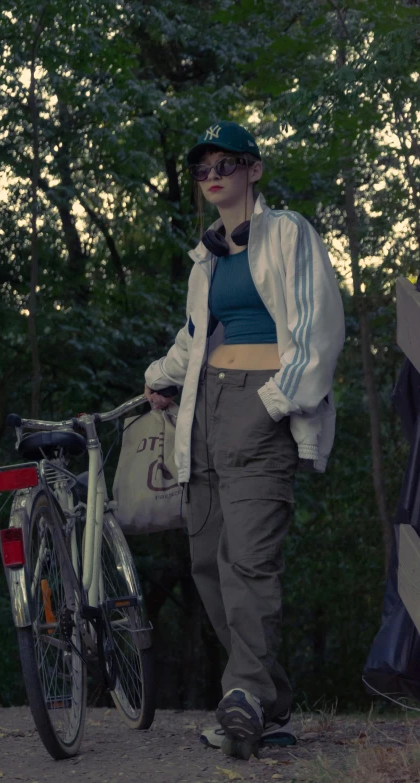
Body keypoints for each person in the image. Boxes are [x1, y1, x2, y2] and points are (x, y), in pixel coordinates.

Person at [143, 120, 345, 760]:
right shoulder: (208, 255)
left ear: (253, 169)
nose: (213, 177)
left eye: (225, 164)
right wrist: (160, 378)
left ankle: (244, 696)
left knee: (251, 560)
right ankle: (267, 706)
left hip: (262, 408)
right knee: (209, 563)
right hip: (204, 410)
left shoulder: (288, 232)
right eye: (203, 170)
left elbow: (317, 327)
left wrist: (275, 403)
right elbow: (197, 335)